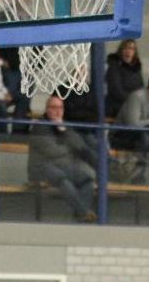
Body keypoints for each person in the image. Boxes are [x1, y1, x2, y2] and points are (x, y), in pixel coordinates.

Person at [28, 95, 97, 223]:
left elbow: (79, 145)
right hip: (42, 167)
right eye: (54, 107)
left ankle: (81, 216)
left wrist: (64, 131)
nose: (58, 111)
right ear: (47, 109)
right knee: (63, 180)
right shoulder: (40, 127)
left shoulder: (65, 126)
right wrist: (69, 148)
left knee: (87, 180)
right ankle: (83, 213)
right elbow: (52, 151)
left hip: (64, 166)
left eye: (60, 108)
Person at [111, 73, 149, 179]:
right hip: (122, 134)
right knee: (145, 137)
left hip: (148, 134)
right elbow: (132, 123)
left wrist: (148, 124)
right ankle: (138, 176)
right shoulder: (137, 96)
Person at [105, 39, 144, 119]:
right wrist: (134, 100)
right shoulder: (114, 66)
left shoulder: (136, 68)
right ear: (121, 50)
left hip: (134, 104)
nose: (128, 51)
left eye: (131, 49)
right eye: (126, 48)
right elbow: (116, 90)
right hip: (117, 105)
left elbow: (141, 87)